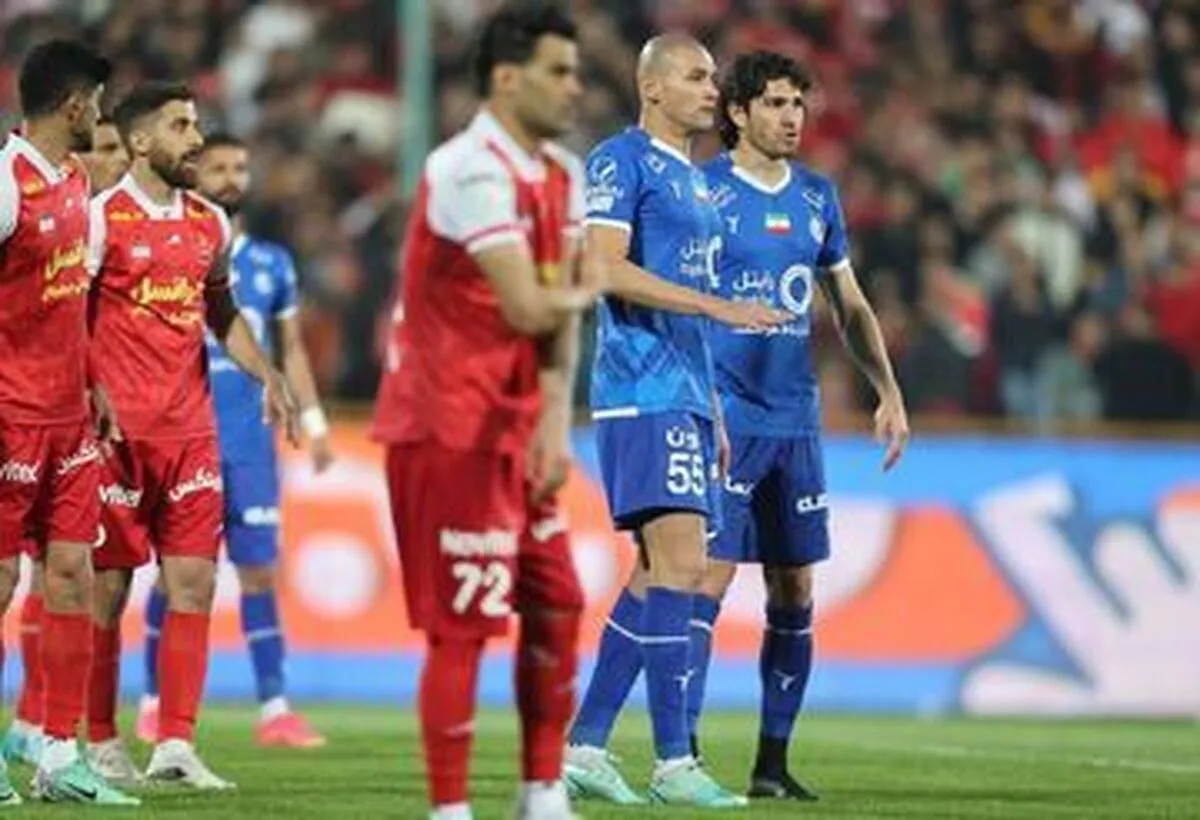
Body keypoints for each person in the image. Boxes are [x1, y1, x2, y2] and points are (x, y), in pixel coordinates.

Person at [371, 5, 600, 819]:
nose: (575, 88)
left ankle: (542, 791)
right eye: (558, 71)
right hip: (448, 424)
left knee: (559, 598)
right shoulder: (467, 169)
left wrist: (553, 424)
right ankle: (450, 809)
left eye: (576, 72)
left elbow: (554, 318)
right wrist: (588, 285)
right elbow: (530, 305)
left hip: (516, 425)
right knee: (464, 625)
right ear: (507, 78)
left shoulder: (565, 173)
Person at [563, 34, 789, 808]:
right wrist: (717, 305)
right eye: (695, 77)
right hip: (639, 388)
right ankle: (672, 762)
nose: (710, 89)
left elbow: (684, 305)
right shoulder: (619, 160)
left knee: (657, 572)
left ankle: (586, 746)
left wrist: (714, 406)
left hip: (686, 395)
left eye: (712, 77)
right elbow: (602, 266)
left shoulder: (694, 183)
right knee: (684, 567)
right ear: (652, 87)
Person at [692, 50, 910, 799]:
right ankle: (679, 756)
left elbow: (848, 304)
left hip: (794, 420)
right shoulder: (703, 192)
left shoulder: (817, 195)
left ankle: (771, 765)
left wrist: (888, 390)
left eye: (797, 105)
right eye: (776, 104)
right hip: (725, 417)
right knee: (706, 580)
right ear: (738, 112)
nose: (792, 118)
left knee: (794, 587)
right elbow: (676, 303)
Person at [84, 81, 296, 790]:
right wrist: (85, 387)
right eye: (181, 126)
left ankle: (175, 743)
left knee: (194, 585)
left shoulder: (209, 224)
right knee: (108, 589)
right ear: (141, 140)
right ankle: (100, 741)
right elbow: (68, 314)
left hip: (191, 434)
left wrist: (267, 373)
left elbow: (222, 312)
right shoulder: (100, 219)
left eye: (196, 124)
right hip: (115, 437)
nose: (196, 139)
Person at [134, 132, 331, 750]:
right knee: (174, 574)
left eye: (240, 167)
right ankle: (152, 702)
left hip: (250, 441)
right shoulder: (176, 246)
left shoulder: (272, 262)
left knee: (259, 573)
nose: (231, 177)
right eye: (217, 167)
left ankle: (275, 707)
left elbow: (290, 349)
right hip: (184, 430)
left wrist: (315, 423)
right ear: (195, 173)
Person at [0, 39, 138, 806]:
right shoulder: (5, 182)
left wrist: (93, 383)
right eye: (99, 104)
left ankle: (58, 755)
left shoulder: (78, 181)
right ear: (74, 104)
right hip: (10, 414)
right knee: (1, 579)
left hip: (68, 417)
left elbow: (68, 301)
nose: (102, 117)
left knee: (72, 575)